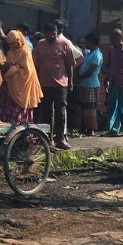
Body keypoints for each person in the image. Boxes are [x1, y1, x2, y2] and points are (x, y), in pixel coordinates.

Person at [33, 22, 77, 150]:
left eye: (54, 34)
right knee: (45, 112)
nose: (52, 36)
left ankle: (60, 139)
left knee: (60, 111)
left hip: (61, 85)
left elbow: (70, 66)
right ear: (45, 34)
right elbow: (35, 65)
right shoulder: (40, 44)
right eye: (49, 34)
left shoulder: (65, 43)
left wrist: (71, 83)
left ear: (57, 33)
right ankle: (46, 138)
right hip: (44, 84)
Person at [0, 30, 43, 124]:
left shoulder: (25, 51)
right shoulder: (10, 52)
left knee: (20, 109)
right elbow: (11, 64)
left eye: (13, 43)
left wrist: (11, 68)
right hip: (11, 85)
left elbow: (27, 70)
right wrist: (5, 67)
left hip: (23, 85)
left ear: (18, 40)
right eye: (10, 44)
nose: (11, 46)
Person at [75, 32, 104, 134]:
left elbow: (90, 71)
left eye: (87, 42)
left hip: (91, 84)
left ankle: (91, 129)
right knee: (83, 107)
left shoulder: (97, 55)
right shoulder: (88, 53)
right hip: (84, 84)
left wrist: (79, 77)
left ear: (92, 43)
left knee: (90, 108)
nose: (85, 44)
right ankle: (83, 127)